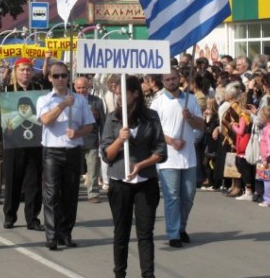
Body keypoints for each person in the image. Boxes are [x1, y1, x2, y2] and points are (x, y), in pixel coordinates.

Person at [101, 75, 167, 278]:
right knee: (121, 233)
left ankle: (148, 274)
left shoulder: (151, 117)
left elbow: (161, 151)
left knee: (145, 234)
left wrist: (141, 165)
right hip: (120, 183)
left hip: (145, 182)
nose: (119, 97)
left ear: (135, 94)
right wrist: (119, 141)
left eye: (123, 93)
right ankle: (119, 273)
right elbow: (106, 155)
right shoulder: (113, 118)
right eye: (117, 94)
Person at [37, 62, 95, 250]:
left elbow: (89, 125)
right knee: (52, 194)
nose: (60, 79)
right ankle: (52, 235)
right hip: (52, 151)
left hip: (72, 150)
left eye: (63, 75)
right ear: (50, 78)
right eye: (56, 76)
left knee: (70, 195)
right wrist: (63, 105)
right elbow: (45, 120)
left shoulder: (79, 100)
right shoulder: (45, 100)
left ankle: (65, 233)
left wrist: (77, 133)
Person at [150, 68, 205, 248]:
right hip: (168, 158)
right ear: (163, 82)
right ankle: (173, 233)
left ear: (179, 78)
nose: (171, 82)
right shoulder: (157, 103)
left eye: (174, 78)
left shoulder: (191, 99)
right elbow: (154, 132)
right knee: (172, 196)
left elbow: (202, 126)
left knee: (188, 196)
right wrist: (172, 141)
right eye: (167, 80)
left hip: (188, 157)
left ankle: (181, 227)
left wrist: (189, 118)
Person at [0, 57, 48, 232]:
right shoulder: (6, 90)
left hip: (34, 143)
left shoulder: (40, 91)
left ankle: (33, 218)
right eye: (22, 70)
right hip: (13, 144)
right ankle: (10, 216)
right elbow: (3, 118)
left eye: (28, 70)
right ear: (16, 71)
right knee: (12, 181)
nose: (25, 73)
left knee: (34, 182)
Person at [74, 76, 106, 203]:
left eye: (84, 87)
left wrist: (104, 136)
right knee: (74, 169)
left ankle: (93, 193)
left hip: (91, 139)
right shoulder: (70, 100)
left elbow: (103, 121)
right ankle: (73, 192)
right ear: (75, 88)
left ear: (88, 87)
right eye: (79, 88)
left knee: (93, 169)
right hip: (74, 140)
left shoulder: (97, 101)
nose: (81, 90)